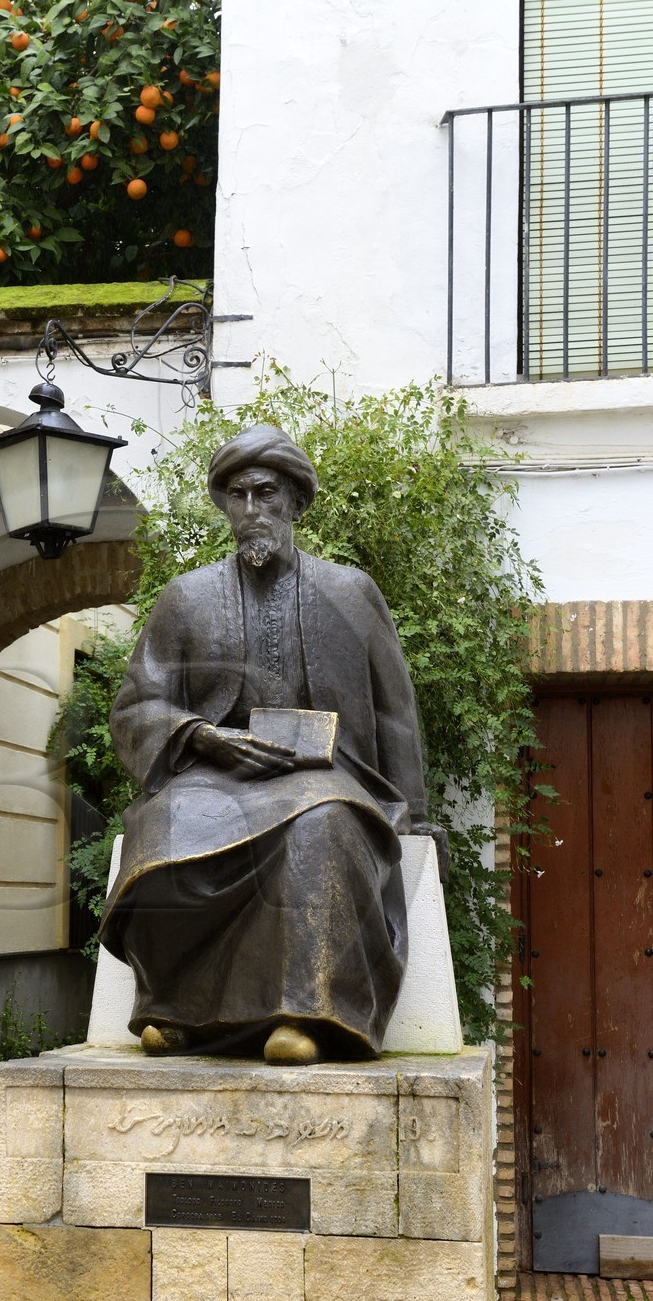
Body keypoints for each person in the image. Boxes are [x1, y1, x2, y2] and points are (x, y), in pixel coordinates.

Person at [99, 423, 446, 1065]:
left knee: (324, 825)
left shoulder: (350, 592)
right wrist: (204, 735)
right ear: (225, 504)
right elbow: (137, 705)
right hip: (213, 772)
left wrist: (416, 817)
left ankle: (304, 1015)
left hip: (328, 773)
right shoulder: (187, 598)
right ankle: (175, 1012)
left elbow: (396, 712)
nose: (252, 510)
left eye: (266, 493)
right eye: (238, 495)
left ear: (295, 502)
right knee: (166, 825)